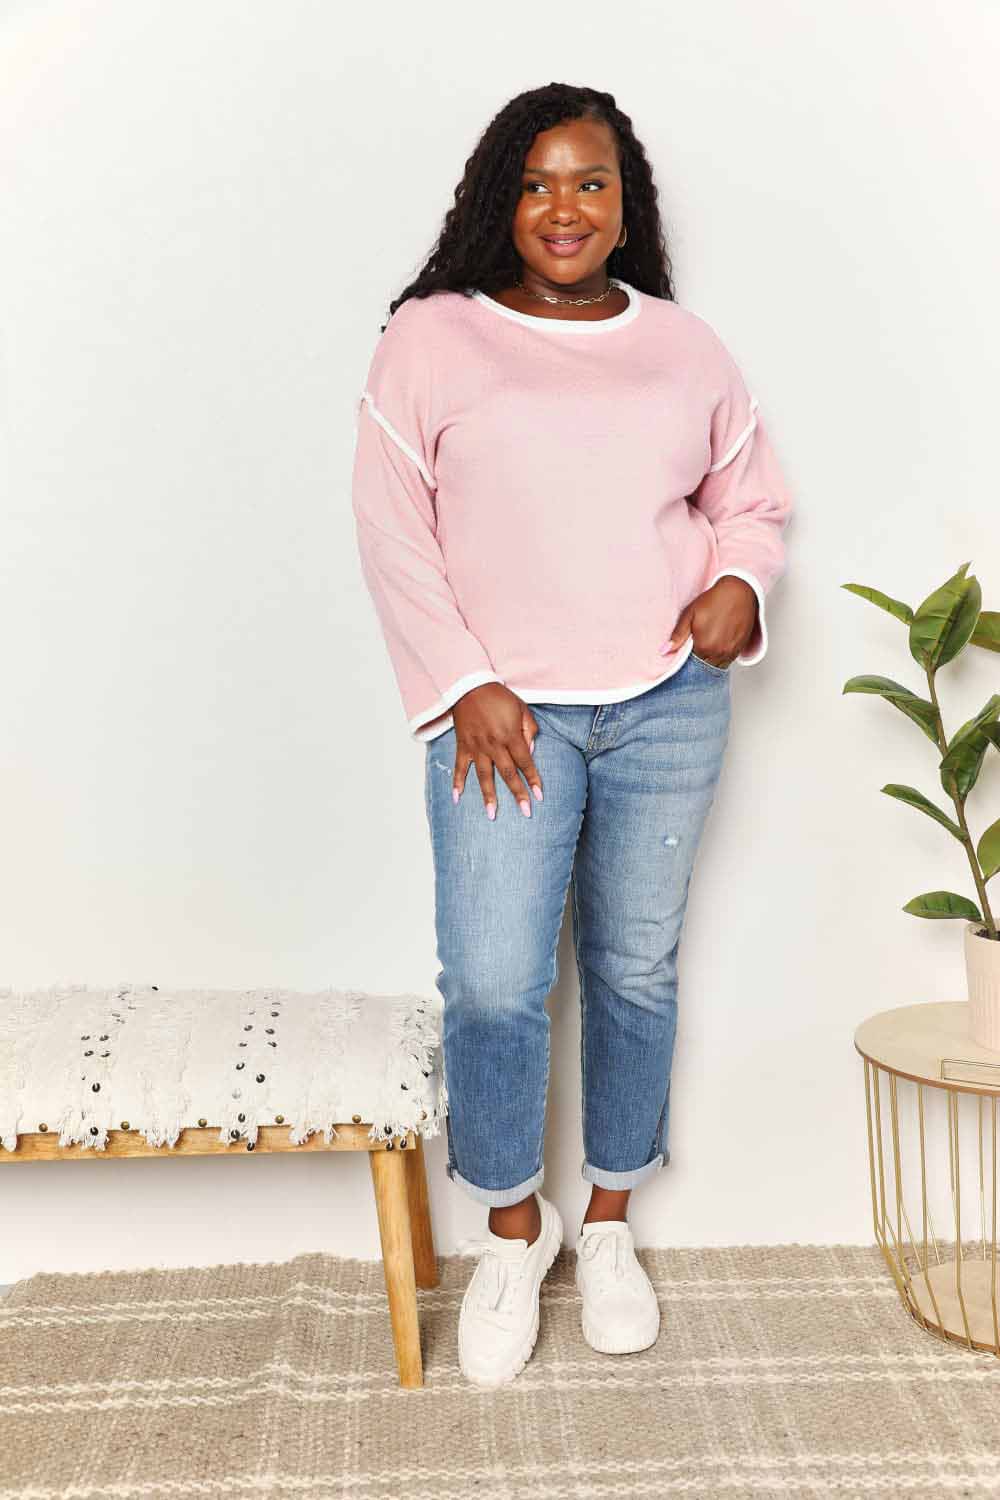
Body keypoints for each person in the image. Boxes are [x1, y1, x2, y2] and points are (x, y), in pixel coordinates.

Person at [350, 82, 794, 1388]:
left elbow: (753, 502)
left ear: (624, 204)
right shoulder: (432, 340)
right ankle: (510, 1230)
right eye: (538, 181)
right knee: (494, 982)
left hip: (663, 708)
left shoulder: (685, 349)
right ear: (503, 196)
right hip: (502, 720)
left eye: (590, 183)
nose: (563, 207)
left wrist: (738, 586)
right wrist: (464, 683)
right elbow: (392, 529)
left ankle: (606, 1224)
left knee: (636, 973)